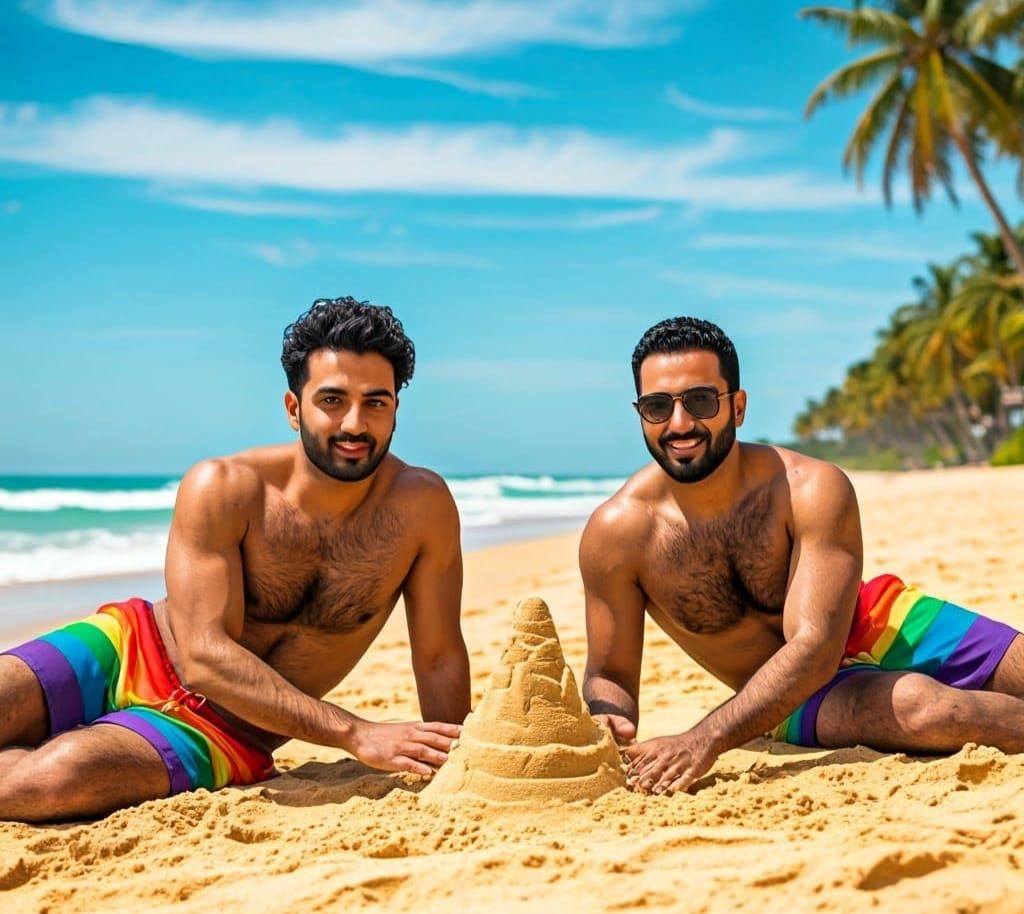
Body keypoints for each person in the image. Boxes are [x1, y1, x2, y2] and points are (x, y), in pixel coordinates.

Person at [0, 297, 471, 821]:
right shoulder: (225, 486)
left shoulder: (421, 509)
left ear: (395, 411)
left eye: (375, 403)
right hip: (130, 647)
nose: (354, 424)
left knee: (55, 779)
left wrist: (462, 760)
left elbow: (438, 656)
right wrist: (355, 733)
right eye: (333, 400)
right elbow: (203, 656)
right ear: (295, 409)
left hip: (227, 731)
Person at [581, 316, 1024, 796]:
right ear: (640, 413)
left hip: (879, 617)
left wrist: (703, 738)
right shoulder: (618, 536)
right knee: (927, 711)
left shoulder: (808, 487)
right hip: (786, 698)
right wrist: (607, 719)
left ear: (738, 406)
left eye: (701, 401)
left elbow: (814, 644)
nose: (680, 423)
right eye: (657, 406)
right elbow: (610, 674)